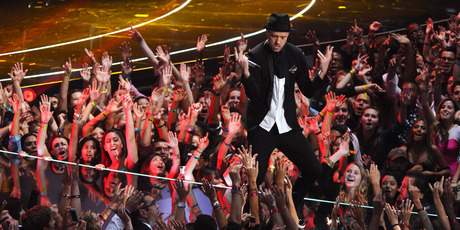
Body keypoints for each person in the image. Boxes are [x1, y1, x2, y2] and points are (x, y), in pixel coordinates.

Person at [235, 12, 329, 223]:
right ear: (267, 33)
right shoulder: (256, 55)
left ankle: (292, 205)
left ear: (288, 36)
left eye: (283, 37)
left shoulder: (295, 54)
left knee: (313, 169)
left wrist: (322, 73)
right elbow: (256, 96)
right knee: (255, 177)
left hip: (287, 125)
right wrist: (246, 75)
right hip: (263, 127)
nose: (278, 41)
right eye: (274, 36)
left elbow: (307, 90)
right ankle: (250, 218)